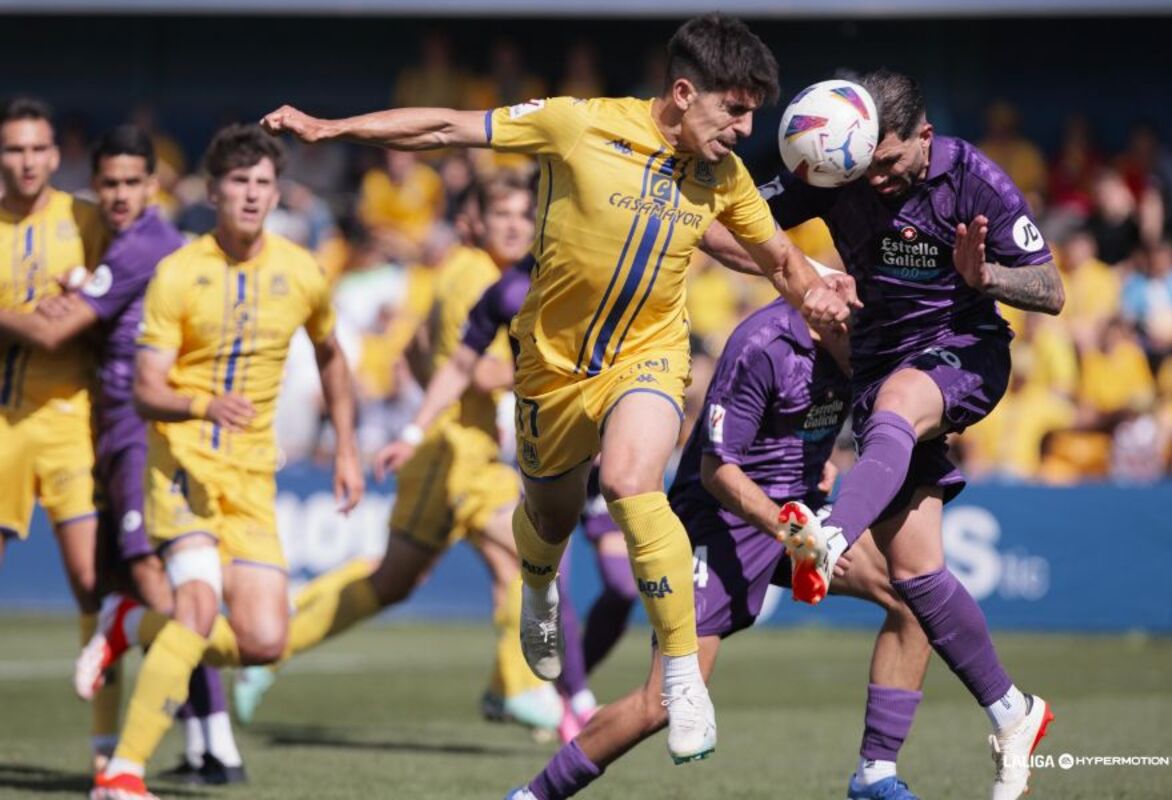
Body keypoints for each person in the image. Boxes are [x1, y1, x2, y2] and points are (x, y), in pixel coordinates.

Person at [262, 12, 851, 764]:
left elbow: (773, 256)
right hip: (550, 367)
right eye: (734, 109)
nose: (744, 129)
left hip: (648, 357)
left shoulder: (724, 176)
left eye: (751, 114)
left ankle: (681, 679)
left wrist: (820, 292)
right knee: (549, 518)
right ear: (682, 91)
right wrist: (331, 129)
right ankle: (539, 586)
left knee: (633, 478)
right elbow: (447, 127)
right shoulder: (576, 124)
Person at [704, 69, 1063, 799]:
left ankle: (830, 534)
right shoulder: (839, 166)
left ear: (924, 138)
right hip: (877, 367)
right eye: (868, 167)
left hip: (962, 351)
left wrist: (985, 275)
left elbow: (1050, 290)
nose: (881, 180)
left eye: (893, 164)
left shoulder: (974, 178)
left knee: (901, 400)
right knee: (915, 575)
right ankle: (1011, 711)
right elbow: (721, 225)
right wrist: (802, 272)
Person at [507, 296, 932, 800]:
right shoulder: (763, 345)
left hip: (792, 517)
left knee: (911, 599)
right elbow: (716, 470)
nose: (874, 361)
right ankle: (532, 797)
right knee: (663, 702)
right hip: (718, 522)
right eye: (867, 345)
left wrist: (816, 471)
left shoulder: (857, 348)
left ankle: (874, 775)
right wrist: (797, 536)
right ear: (837, 326)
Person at [79, 123, 363, 800]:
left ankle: (129, 622)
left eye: (263, 183)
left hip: (253, 476)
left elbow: (330, 353)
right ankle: (123, 772)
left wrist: (346, 446)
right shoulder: (178, 272)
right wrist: (205, 408)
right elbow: (146, 390)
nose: (251, 195)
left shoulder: (301, 270)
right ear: (212, 191)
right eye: (238, 182)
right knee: (199, 608)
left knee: (265, 641)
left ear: (277, 192)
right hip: (180, 464)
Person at [232, 172, 569, 736]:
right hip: (456, 452)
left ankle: (277, 641)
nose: (515, 226)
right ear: (472, 222)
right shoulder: (478, 277)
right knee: (527, 555)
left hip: (454, 445)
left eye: (522, 215)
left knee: (395, 581)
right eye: (501, 215)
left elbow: (416, 349)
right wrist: (553, 369)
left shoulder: (469, 272)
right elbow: (480, 369)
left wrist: (432, 396)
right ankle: (519, 687)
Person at [0, 124, 247, 782]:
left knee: (147, 583)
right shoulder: (122, 242)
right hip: (109, 431)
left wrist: (60, 297)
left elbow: (63, 328)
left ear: (153, 185)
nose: (116, 194)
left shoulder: (145, 243)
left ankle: (190, 704)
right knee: (147, 579)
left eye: (130, 182)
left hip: (138, 431)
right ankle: (210, 742)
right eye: (107, 182)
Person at [375, 253, 638, 740]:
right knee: (548, 575)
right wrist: (413, 432)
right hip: (546, 455)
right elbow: (459, 365)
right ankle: (573, 700)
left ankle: (564, 688)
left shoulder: (605, 266)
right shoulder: (507, 289)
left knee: (623, 587)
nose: (524, 225)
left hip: (606, 449)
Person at [0, 95, 110, 769]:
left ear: (55, 153)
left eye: (39, 147)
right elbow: (44, 326)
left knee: (92, 584)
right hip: (2, 420)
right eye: (14, 148)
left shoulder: (87, 219)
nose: (28, 160)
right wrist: (40, 316)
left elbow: (122, 300)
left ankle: (107, 754)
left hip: (73, 420)